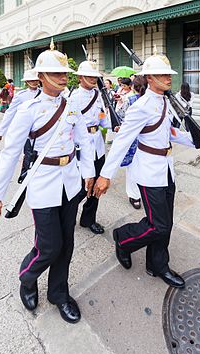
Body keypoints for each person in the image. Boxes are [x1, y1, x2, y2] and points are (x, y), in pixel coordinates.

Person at [0, 44, 95, 324]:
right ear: (42, 76)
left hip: (70, 182)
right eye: (55, 73)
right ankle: (27, 277)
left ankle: (59, 294)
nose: (62, 77)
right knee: (48, 246)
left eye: (64, 73)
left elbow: (84, 139)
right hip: (43, 182)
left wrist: (89, 172)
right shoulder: (28, 109)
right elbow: (10, 153)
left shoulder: (71, 106)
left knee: (66, 244)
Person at [93, 52, 200, 289]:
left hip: (166, 169)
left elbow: (169, 132)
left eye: (168, 74)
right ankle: (124, 238)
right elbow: (122, 140)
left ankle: (157, 264)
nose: (168, 78)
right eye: (162, 74)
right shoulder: (141, 107)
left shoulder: (166, 102)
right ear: (149, 78)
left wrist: (195, 141)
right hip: (149, 172)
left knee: (164, 222)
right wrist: (106, 175)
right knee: (159, 224)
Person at [72, 60, 110, 234]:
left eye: (95, 76)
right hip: (81, 145)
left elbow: (102, 118)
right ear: (80, 77)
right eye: (89, 76)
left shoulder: (99, 95)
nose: (93, 79)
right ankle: (68, 213)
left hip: (98, 146)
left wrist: (114, 125)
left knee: (97, 187)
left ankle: (88, 219)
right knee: (80, 187)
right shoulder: (73, 98)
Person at [119, 75, 147, 210]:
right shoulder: (148, 100)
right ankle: (138, 194)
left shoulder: (130, 100)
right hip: (145, 139)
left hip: (135, 139)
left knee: (133, 167)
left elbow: (120, 116)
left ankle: (134, 195)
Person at [0, 69, 40, 143]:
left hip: (44, 130)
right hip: (28, 132)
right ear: (26, 82)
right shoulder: (20, 96)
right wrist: (0, 131)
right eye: (31, 80)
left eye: (36, 80)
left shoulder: (44, 93)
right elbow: (10, 113)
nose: (34, 82)